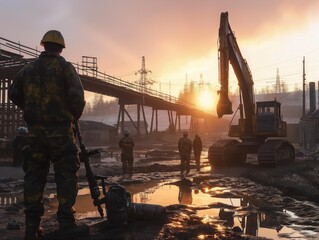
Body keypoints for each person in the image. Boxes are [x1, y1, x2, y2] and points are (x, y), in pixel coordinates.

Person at [8, 30, 87, 240]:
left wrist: (31, 108)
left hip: (35, 134)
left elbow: (13, 93)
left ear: (43, 46)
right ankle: (66, 224)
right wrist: (72, 117)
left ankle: (32, 228)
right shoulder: (65, 68)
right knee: (66, 174)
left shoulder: (29, 69)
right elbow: (78, 98)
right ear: (60, 48)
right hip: (60, 132)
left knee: (34, 176)